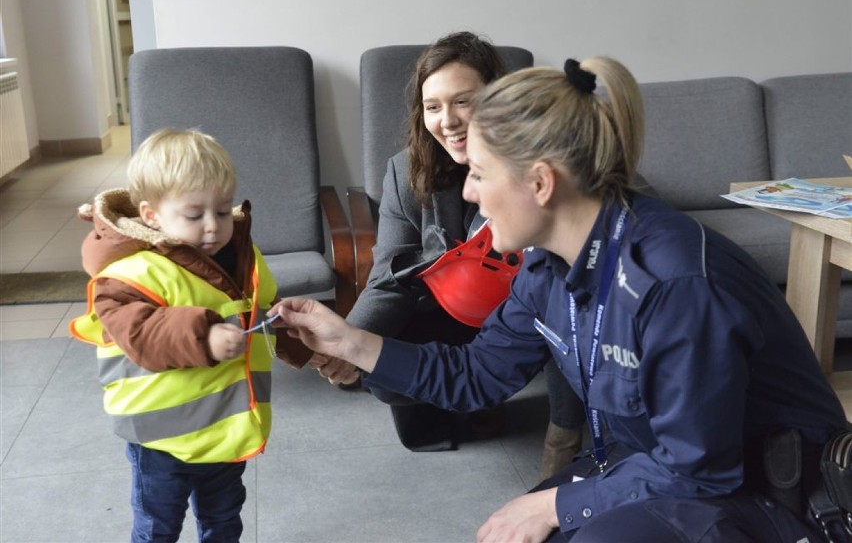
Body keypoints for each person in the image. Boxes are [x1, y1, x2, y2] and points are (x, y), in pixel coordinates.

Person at [271, 58, 850, 542]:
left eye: (477, 173)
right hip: (649, 463)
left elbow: (700, 470)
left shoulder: (674, 285)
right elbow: (477, 374)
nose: (468, 191)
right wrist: (351, 341)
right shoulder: (544, 267)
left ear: (541, 183)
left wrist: (554, 507)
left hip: (767, 492)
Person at [319, 30, 586, 462]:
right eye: (433, 106)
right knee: (384, 372)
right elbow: (389, 277)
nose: (447, 120)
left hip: (523, 313)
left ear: (498, 98)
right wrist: (351, 341)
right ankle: (460, 404)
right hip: (447, 308)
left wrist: (563, 438)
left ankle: (563, 432)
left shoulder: (540, 166)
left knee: (555, 299)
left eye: (463, 101)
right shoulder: (404, 172)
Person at [70, 128, 302, 542]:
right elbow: (138, 331)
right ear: (152, 215)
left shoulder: (243, 258)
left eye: (222, 209)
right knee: (158, 526)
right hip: (160, 442)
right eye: (194, 215)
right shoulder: (130, 274)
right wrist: (204, 335)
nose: (213, 226)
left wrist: (297, 339)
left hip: (225, 432)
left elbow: (262, 310)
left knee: (224, 519)